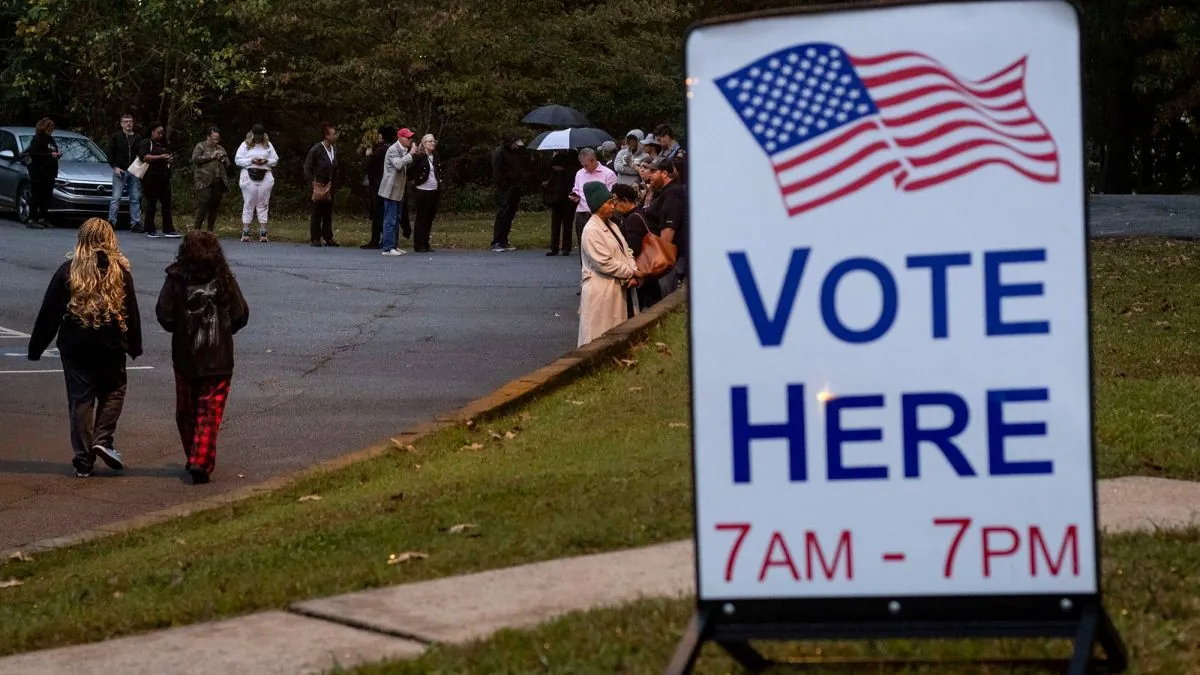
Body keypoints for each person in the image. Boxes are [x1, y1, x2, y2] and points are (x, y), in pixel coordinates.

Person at [28, 218, 142, 477]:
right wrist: (134, 345)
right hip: (111, 347)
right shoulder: (119, 273)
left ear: (82, 240)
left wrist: (36, 348)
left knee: (80, 400)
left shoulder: (68, 271)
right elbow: (131, 312)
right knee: (114, 391)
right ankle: (103, 437)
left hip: (75, 347)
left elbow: (49, 312)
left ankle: (83, 460)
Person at [155, 231, 249, 485]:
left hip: (186, 357)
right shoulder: (224, 278)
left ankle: (195, 455)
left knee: (186, 412)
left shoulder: (176, 278)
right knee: (209, 410)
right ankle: (200, 458)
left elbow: (164, 315)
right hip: (219, 358)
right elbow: (240, 314)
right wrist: (226, 329)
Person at [577, 181, 641, 347]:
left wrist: (633, 269)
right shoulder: (591, 230)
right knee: (598, 338)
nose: (613, 206)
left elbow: (626, 251)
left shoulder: (612, 225)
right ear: (598, 206)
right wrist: (631, 273)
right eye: (608, 203)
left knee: (619, 336)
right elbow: (604, 263)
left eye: (612, 202)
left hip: (618, 286)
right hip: (601, 291)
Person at [611, 183, 662, 309]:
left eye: (615, 201)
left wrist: (633, 274)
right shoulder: (634, 215)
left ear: (625, 200)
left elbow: (634, 249)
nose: (613, 205)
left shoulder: (632, 219)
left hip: (642, 274)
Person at [644, 157, 688, 295]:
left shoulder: (673, 193)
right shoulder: (664, 191)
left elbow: (669, 229)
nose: (649, 175)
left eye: (653, 171)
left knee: (667, 295)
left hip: (670, 259)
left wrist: (659, 262)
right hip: (665, 256)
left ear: (664, 173)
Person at [234, 125, 279, 243]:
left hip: (265, 175)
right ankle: (245, 232)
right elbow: (238, 160)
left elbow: (275, 159)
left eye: (260, 135)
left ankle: (263, 233)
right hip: (249, 175)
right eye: (256, 135)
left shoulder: (268, 145)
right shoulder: (245, 145)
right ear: (252, 134)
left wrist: (266, 161)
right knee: (249, 202)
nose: (258, 138)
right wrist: (251, 160)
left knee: (263, 203)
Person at [569, 147, 617, 256]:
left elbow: (611, 196)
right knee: (583, 245)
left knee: (601, 245)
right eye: (583, 165)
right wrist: (574, 195)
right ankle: (586, 271)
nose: (584, 168)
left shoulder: (608, 174)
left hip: (600, 214)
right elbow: (577, 188)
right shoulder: (580, 173)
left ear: (594, 160)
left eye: (586, 165)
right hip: (582, 212)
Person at [138, 122, 180, 238]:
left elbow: (169, 154)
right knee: (152, 203)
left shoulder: (162, 143)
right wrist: (160, 157)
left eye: (162, 133)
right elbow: (144, 157)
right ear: (152, 131)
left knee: (166, 203)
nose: (161, 135)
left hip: (164, 177)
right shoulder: (146, 142)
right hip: (151, 177)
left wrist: (169, 159)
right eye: (158, 132)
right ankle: (150, 228)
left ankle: (168, 228)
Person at [378, 128, 416, 257]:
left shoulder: (403, 149)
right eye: (408, 138)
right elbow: (398, 165)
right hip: (390, 190)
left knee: (397, 218)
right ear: (400, 138)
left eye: (411, 138)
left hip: (399, 189)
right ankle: (388, 248)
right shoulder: (393, 150)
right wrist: (410, 154)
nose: (410, 140)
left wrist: (410, 154)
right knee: (390, 219)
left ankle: (394, 245)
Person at [303, 122, 340, 247]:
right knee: (316, 212)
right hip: (318, 183)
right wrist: (313, 182)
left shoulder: (334, 149)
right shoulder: (316, 149)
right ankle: (315, 237)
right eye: (333, 134)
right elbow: (307, 167)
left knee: (328, 213)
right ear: (326, 135)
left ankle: (328, 236)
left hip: (330, 184)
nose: (335, 136)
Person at [24, 117, 61, 229]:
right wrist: (49, 155)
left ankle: (43, 218)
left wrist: (57, 155)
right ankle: (32, 218)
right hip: (38, 173)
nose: (52, 130)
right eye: (50, 128)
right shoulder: (38, 139)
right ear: (45, 127)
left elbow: (52, 151)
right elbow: (34, 153)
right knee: (36, 196)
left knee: (46, 197)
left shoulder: (51, 140)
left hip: (49, 173)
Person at [191, 126, 230, 233]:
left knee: (214, 207)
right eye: (214, 138)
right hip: (204, 182)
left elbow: (228, 163)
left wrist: (223, 159)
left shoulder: (220, 148)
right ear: (208, 136)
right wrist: (211, 156)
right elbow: (195, 159)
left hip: (218, 182)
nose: (216, 140)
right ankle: (196, 231)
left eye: (218, 138)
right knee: (203, 205)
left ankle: (210, 231)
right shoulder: (201, 146)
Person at [107, 113, 143, 231]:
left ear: (133, 123)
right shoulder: (116, 137)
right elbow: (110, 153)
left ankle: (135, 223)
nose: (128, 124)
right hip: (120, 170)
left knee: (135, 198)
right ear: (121, 124)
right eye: (126, 121)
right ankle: (112, 222)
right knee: (116, 197)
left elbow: (141, 154)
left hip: (133, 170)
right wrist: (115, 167)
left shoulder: (138, 138)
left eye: (130, 121)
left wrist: (139, 167)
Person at [361, 126, 394, 250]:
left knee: (377, 213)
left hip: (377, 185)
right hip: (385, 184)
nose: (379, 136)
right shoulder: (391, 149)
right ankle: (384, 238)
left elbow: (369, 166)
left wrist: (368, 155)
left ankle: (376, 239)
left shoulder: (381, 150)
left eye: (381, 134)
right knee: (385, 213)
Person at [490, 135, 525, 252]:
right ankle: (496, 241)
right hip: (504, 189)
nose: (516, 146)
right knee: (502, 214)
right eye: (515, 143)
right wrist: (505, 181)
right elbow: (497, 172)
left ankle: (504, 240)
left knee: (510, 215)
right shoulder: (500, 153)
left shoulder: (515, 154)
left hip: (515, 188)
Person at [409, 133, 442, 253]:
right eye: (430, 141)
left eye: (434, 141)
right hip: (422, 190)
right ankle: (418, 244)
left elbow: (437, 171)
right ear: (424, 144)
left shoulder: (435, 156)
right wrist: (416, 180)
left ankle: (426, 242)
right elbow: (410, 170)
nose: (433, 143)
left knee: (429, 218)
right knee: (421, 218)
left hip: (434, 190)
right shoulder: (419, 156)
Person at [542, 150, 576, 256]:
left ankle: (566, 247)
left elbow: (575, 173)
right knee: (555, 222)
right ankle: (554, 247)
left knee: (567, 222)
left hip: (569, 192)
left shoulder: (573, 156)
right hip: (557, 192)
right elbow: (549, 170)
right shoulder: (556, 158)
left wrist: (564, 169)